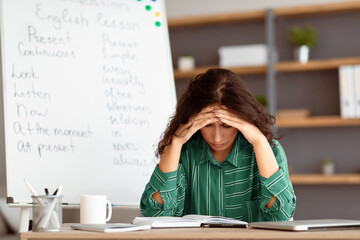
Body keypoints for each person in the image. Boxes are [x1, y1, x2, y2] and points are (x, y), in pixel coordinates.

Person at [140, 68, 296, 222]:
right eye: (207, 125)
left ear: (243, 120)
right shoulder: (184, 152)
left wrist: (259, 141)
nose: (216, 137)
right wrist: (175, 142)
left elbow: (281, 216)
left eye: (226, 125)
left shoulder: (269, 150)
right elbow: (156, 216)